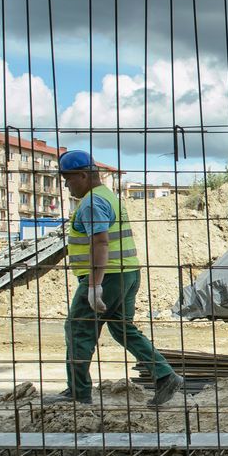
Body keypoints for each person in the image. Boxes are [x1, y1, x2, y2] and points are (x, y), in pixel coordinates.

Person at [45, 150, 184, 407]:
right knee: (122, 328)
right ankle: (165, 375)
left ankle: (78, 392)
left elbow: (100, 242)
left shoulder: (92, 203)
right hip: (127, 272)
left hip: (106, 275)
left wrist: (95, 285)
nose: (66, 185)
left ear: (83, 175)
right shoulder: (109, 196)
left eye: (68, 178)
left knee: (78, 329)